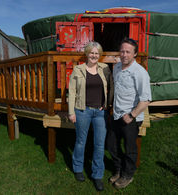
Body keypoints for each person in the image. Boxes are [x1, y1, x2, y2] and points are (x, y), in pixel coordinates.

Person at [107, 38, 152, 189]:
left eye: (128, 52)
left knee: (130, 148)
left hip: (131, 117)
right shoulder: (117, 67)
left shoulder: (140, 73)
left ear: (135, 54)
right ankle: (119, 169)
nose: (124, 54)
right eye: (122, 51)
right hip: (117, 114)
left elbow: (146, 99)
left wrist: (132, 115)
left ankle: (128, 175)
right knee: (111, 145)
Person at [68, 41, 112, 191]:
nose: (94, 55)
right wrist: (71, 112)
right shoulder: (78, 70)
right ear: (87, 54)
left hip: (100, 112)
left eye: (97, 53)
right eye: (92, 53)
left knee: (99, 144)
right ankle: (78, 168)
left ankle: (97, 175)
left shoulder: (105, 68)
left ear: (100, 55)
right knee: (81, 141)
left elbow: (111, 87)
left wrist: (107, 105)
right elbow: (72, 91)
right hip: (82, 111)